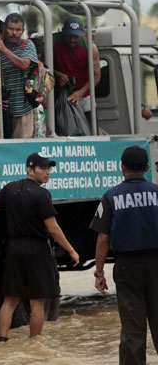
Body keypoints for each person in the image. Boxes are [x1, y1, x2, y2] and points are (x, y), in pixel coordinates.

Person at [0, 153, 80, 341]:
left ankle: (2, 341)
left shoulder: (10, 189)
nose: (47, 172)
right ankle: (34, 343)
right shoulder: (42, 194)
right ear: (30, 170)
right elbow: (53, 229)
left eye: (49, 169)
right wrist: (71, 250)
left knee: (10, 300)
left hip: (14, 249)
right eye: (43, 168)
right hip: (37, 250)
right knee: (37, 303)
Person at [90, 145, 158, 364]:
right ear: (147, 167)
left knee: (132, 328)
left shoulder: (111, 197)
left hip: (127, 268)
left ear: (122, 168)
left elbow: (103, 238)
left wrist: (99, 272)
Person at [0, 13, 39, 139]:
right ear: (5, 29)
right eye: (11, 29)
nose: (14, 33)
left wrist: (4, 50)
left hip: (24, 108)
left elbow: (24, 65)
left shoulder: (26, 45)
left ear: (23, 31)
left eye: (18, 30)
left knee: (22, 150)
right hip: (3, 110)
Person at [53, 16, 101, 122]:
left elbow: (96, 76)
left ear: (82, 33)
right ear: (63, 31)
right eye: (69, 36)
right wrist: (57, 74)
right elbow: (43, 66)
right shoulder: (54, 41)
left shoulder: (90, 47)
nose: (72, 40)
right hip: (60, 94)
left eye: (76, 36)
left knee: (93, 129)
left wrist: (80, 93)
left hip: (84, 94)